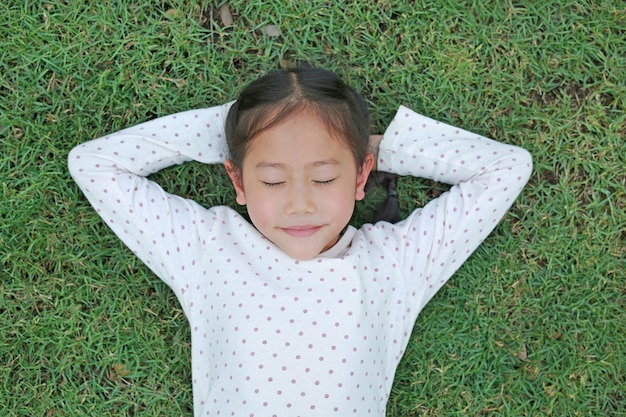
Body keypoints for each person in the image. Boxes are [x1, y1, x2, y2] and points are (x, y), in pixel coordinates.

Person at [68, 67, 532, 416]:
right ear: (239, 182)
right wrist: (233, 130)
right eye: (272, 181)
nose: (300, 205)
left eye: (325, 177)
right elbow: (94, 164)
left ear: (360, 176)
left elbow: (506, 168)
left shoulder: (395, 264)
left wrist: (375, 146)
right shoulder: (206, 251)